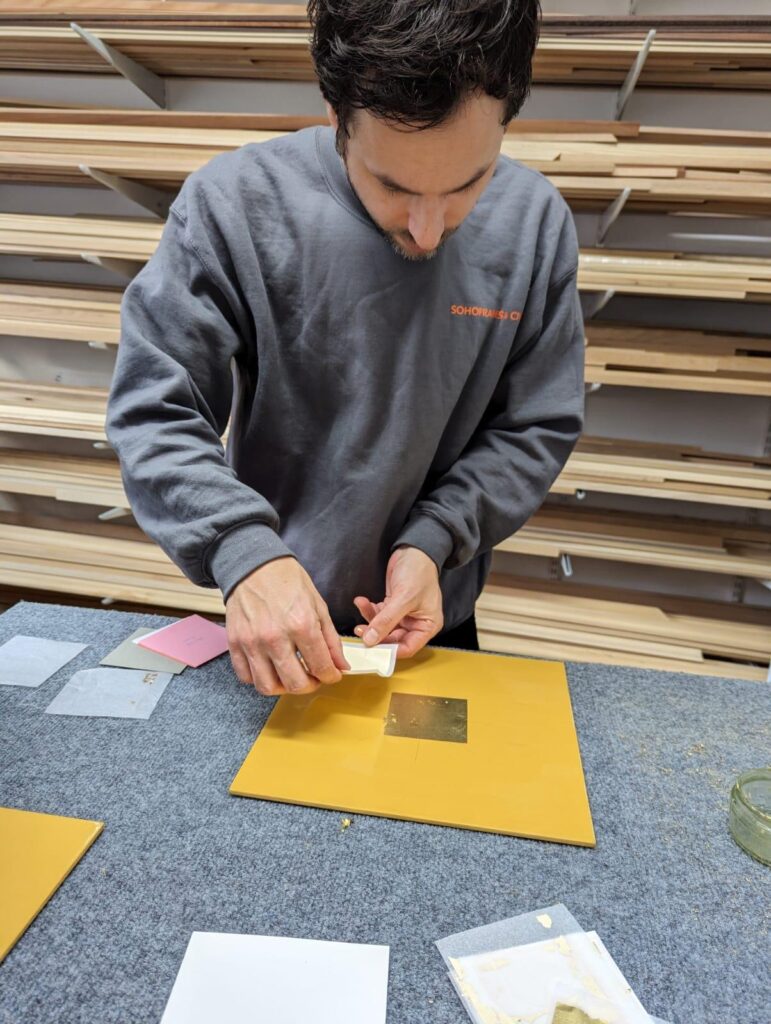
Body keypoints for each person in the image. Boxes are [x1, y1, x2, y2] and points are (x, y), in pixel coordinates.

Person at [106, 0, 584, 698]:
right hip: (271, 617)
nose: (426, 231)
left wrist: (435, 539)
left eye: (466, 186)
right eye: (392, 186)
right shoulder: (235, 205)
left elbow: (532, 426)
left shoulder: (535, 224)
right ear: (335, 114)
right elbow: (156, 409)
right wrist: (242, 553)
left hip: (431, 622)